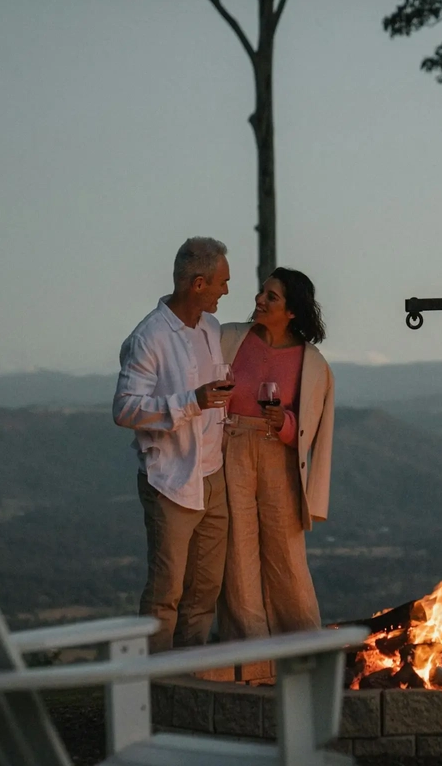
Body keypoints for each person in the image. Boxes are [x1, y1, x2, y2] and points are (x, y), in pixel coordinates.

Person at [113, 237, 233, 652]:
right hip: (170, 482)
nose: (226, 291)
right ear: (198, 283)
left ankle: (190, 678)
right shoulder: (148, 338)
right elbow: (125, 409)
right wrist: (191, 402)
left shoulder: (212, 329)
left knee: (204, 593)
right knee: (166, 595)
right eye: (222, 282)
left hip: (213, 479)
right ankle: (155, 689)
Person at [216, 267, 335, 640]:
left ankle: (304, 646)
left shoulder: (311, 362)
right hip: (231, 447)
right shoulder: (230, 337)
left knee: (286, 551)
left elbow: (310, 426)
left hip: (279, 456)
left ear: (292, 310)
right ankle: (250, 652)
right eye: (261, 293)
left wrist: (283, 422)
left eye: (272, 296)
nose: (259, 300)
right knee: (237, 551)